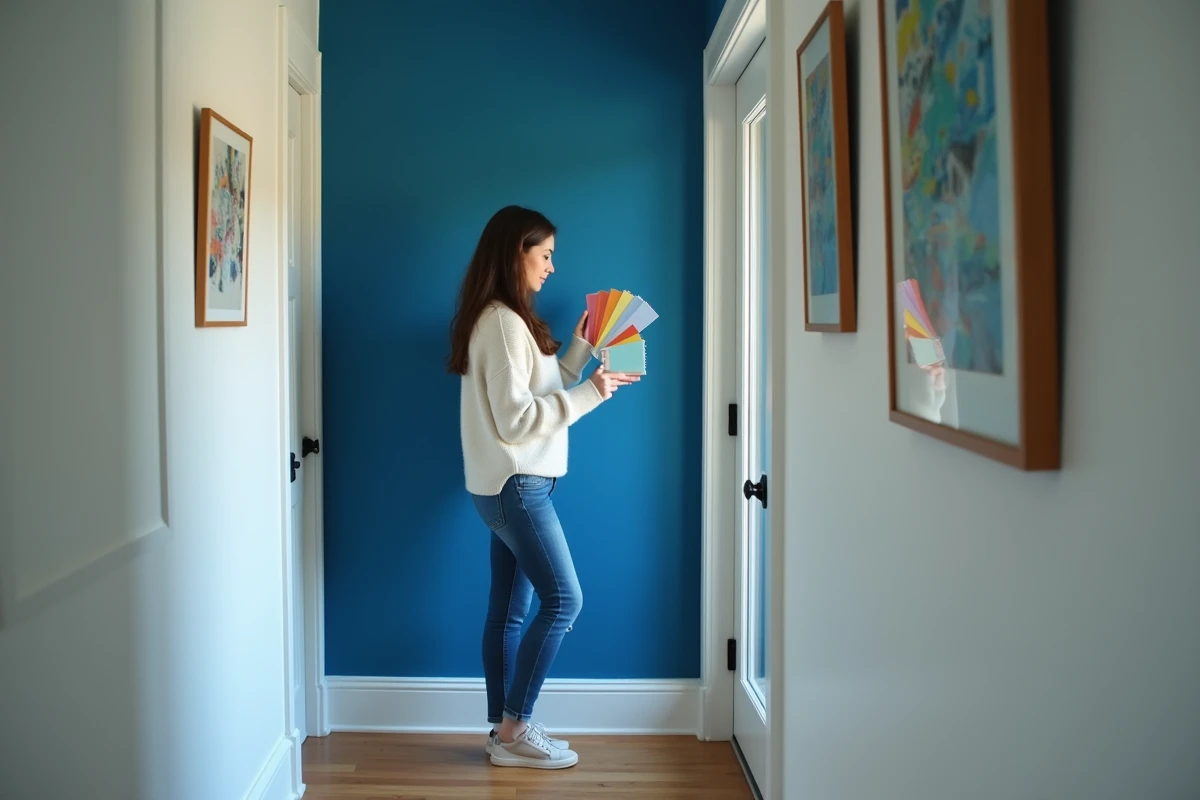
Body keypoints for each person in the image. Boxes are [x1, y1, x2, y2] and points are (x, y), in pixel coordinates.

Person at [447, 205, 638, 769]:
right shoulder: (502, 323)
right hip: (517, 488)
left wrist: (578, 355)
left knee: (509, 611)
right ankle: (515, 730)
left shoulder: (502, 318)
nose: (552, 267)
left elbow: (538, 388)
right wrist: (592, 392)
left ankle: (503, 730)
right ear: (518, 251)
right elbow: (517, 421)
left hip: (506, 487)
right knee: (564, 601)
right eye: (546, 254)